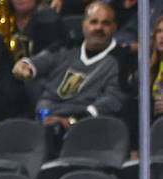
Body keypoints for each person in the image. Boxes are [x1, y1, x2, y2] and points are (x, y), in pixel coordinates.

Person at [13, 0, 128, 149]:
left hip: (87, 129)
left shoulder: (123, 59)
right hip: (46, 120)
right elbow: (36, 62)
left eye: (105, 23)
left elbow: (113, 100)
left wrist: (73, 120)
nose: (99, 27)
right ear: (84, 25)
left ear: (114, 27)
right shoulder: (66, 47)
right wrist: (25, 66)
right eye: (94, 22)